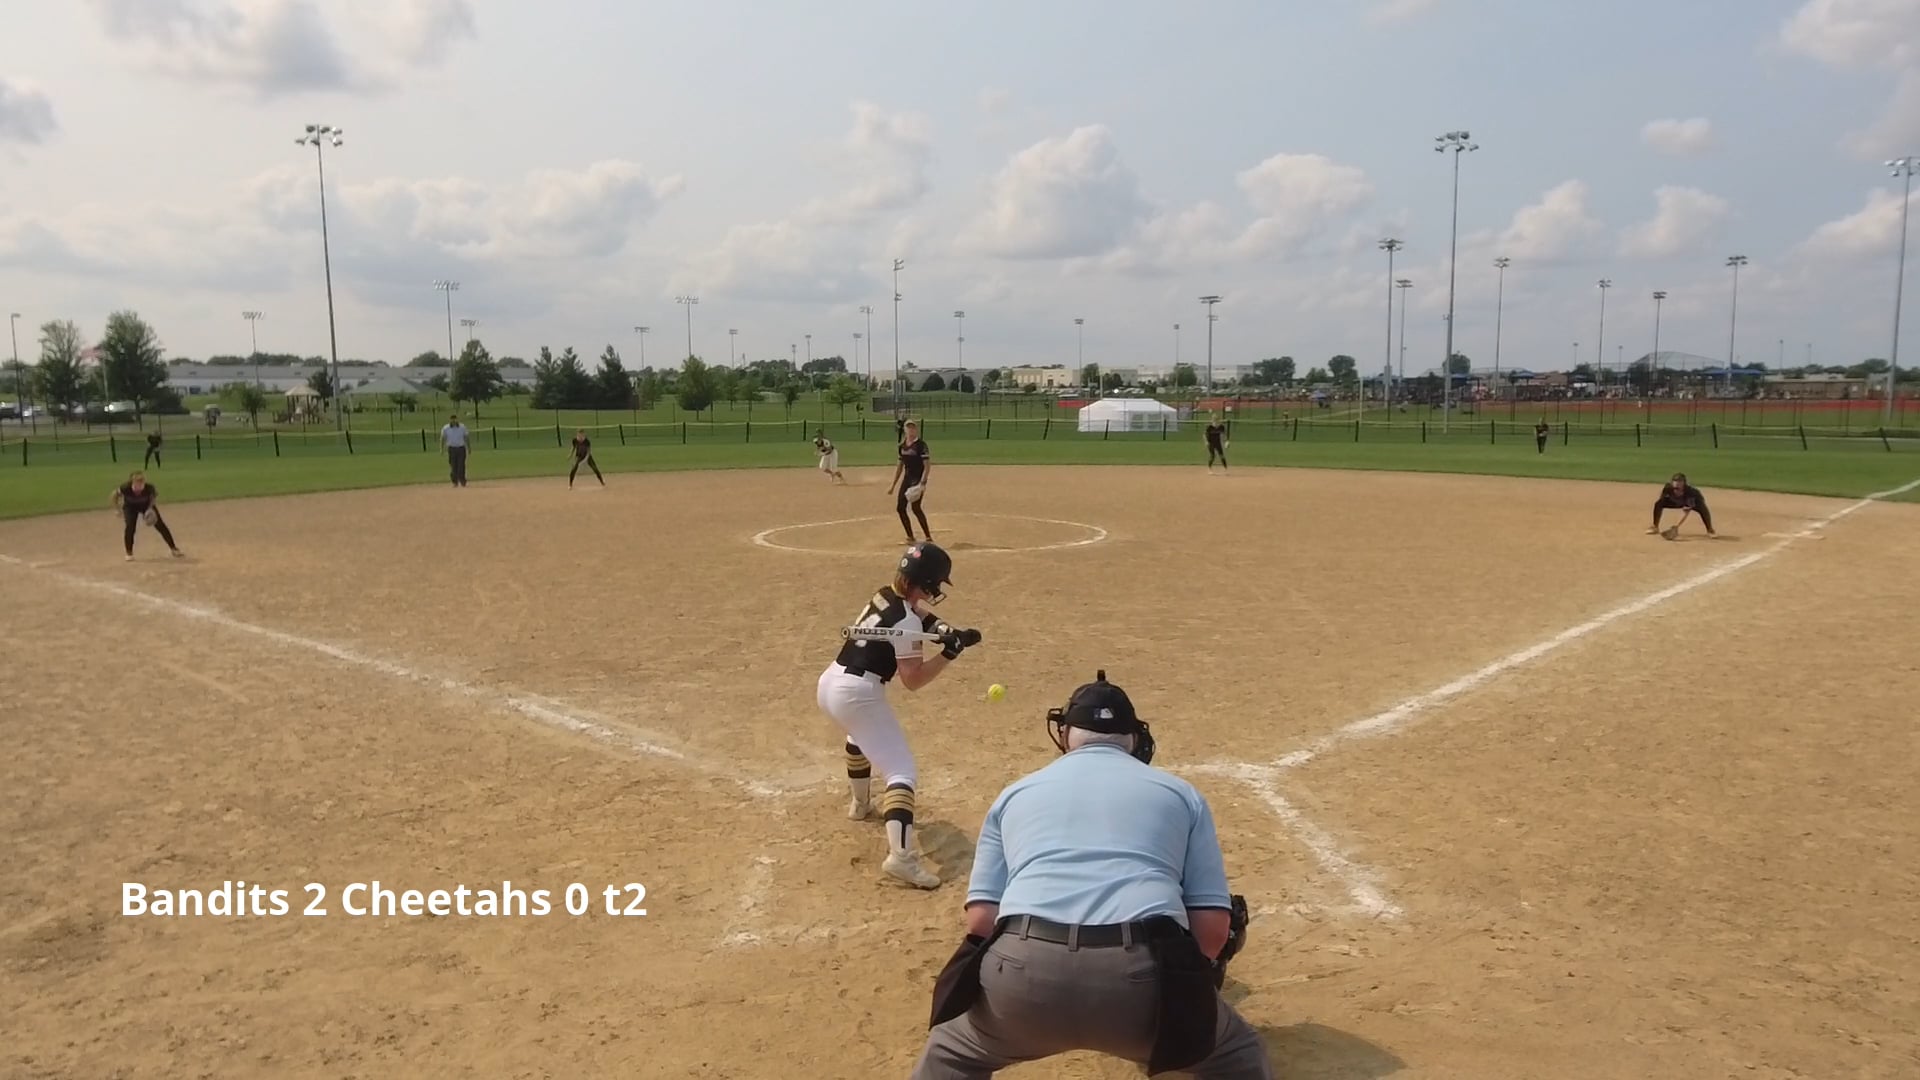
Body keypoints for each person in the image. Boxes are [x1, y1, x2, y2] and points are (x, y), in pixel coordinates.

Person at [910, 670, 1263, 1079]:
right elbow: (1213, 930)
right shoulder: (1181, 793)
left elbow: (981, 922)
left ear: (1064, 734)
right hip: (1141, 982)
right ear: (1134, 738)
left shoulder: (1014, 794)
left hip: (1022, 980)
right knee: (1236, 1051)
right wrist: (1182, 1000)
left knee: (952, 1053)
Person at [815, 541, 981, 889]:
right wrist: (949, 654)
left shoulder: (884, 595)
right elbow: (913, 680)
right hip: (858, 693)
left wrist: (944, 630)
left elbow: (918, 615)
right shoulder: (905, 621)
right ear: (928, 583)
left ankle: (860, 805)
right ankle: (901, 858)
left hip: (831, 683)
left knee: (859, 736)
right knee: (901, 772)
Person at [111, 470, 185, 562]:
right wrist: (117, 509)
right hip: (130, 507)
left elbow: (153, 498)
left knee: (160, 525)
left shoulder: (149, 488)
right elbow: (114, 495)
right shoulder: (125, 487)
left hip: (146, 505)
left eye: (141, 481)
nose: (140, 483)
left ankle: (173, 549)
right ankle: (129, 553)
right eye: (137, 481)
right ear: (132, 482)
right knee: (130, 527)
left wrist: (150, 509)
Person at [888, 419, 933, 543]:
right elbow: (900, 467)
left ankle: (928, 537)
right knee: (900, 508)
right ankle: (910, 536)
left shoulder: (921, 445)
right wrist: (893, 485)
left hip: (917, 479)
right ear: (904, 430)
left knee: (916, 508)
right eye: (908, 427)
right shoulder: (902, 446)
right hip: (907, 479)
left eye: (913, 427)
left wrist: (922, 482)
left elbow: (927, 466)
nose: (911, 430)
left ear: (916, 430)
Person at [1649, 471, 1716, 538]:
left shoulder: (1690, 492)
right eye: (1675, 481)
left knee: (1703, 509)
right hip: (1676, 502)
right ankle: (1655, 527)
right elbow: (1662, 499)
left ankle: (1710, 530)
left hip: (1696, 503)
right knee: (1658, 503)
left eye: (1680, 481)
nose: (1677, 483)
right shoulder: (1667, 488)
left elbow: (1686, 511)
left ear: (1684, 483)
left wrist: (1676, 526)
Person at [440, 413, 470, 487]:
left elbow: (466, 437)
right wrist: (441, 448)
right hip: (451, 449)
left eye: (455, 419)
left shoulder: (462, 427)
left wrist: (468, 447)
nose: (453, 420)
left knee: (461, 465)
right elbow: (442, 438)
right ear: (450, 420)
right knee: (453, 466)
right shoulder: (446, 428)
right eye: (452, 419)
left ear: (457, 419)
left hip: (461, 448)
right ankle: (455, 482)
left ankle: (462, 481)